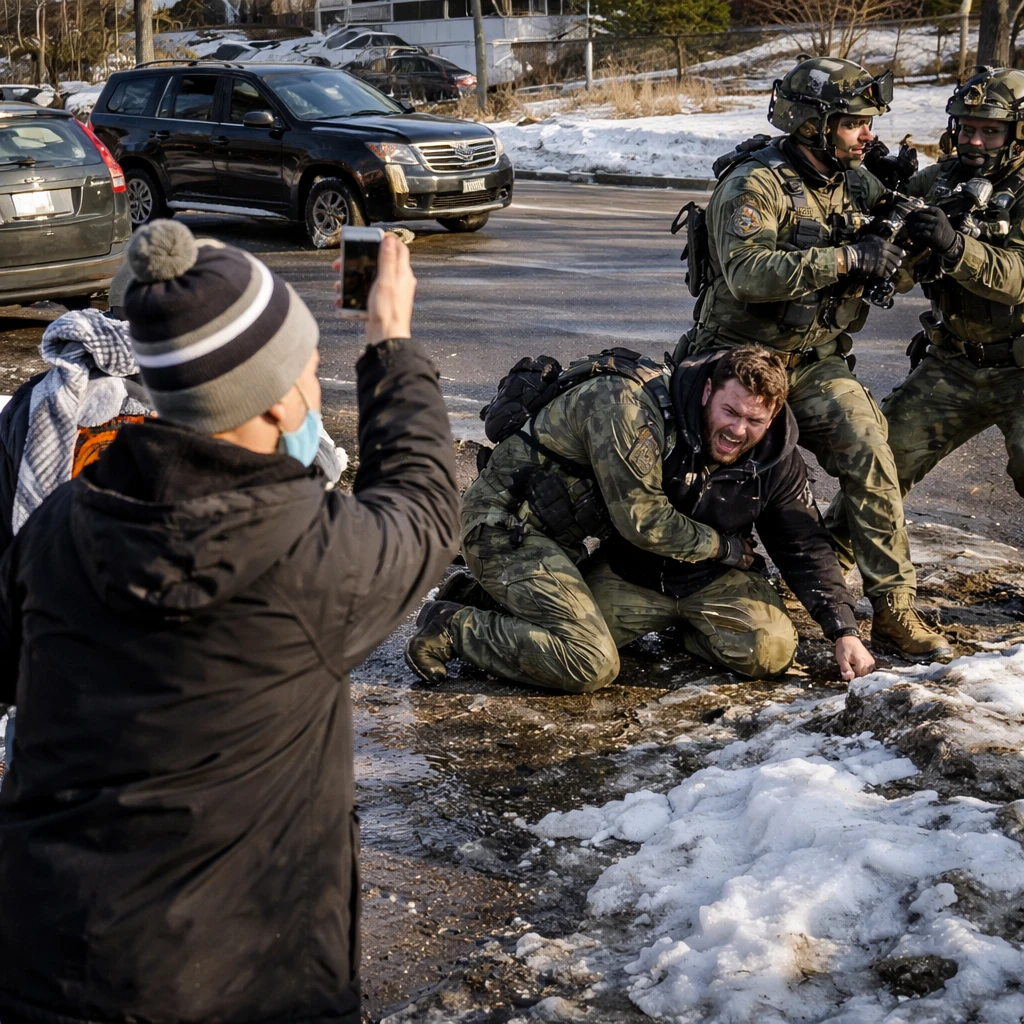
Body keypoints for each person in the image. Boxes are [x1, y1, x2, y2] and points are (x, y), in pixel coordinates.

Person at [0, 221, 459, 1024]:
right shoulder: (309, 558)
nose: (318, 384)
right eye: (311, 368)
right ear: (280, 400)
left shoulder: (64, 521)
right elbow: (422, 508)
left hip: (53, 965)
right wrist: (389, 340)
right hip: (250, 981)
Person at [680, 56, 951, 663]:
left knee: (870, 452)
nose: (868, 134)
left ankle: (894, 611)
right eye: (854, 122)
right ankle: (693, 587)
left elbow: (893, 263)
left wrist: (917, 241)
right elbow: (747, 274)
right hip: (738, 362)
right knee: (706, 476)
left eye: (868, 122)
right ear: (812, 125)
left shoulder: (856, 181)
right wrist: (847, 260)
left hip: (816, 360)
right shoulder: (754, 184)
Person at [406, 344, 875, 693]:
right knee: (588, 660)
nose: (737, 429)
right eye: (730, 411)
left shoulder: (772, 457)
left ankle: (483, 596)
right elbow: (644, 521)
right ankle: (454, 625)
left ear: (773, 417)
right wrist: (725, 547)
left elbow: (803, 542)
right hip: (510, 528)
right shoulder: (631, 410)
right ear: (708, 390)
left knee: (768, 650)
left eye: (754, 421)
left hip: (573, 541)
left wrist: (843, 629)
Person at [827, 68, 1024, 541]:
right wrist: (873, 194)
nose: (974, 141)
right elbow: (899, 268)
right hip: (953, 361)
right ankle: (822, 579)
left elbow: (1018, 278)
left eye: (989, 130)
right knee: (880, 466)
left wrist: (957, 248)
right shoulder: (937, 182)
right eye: (966, 128)